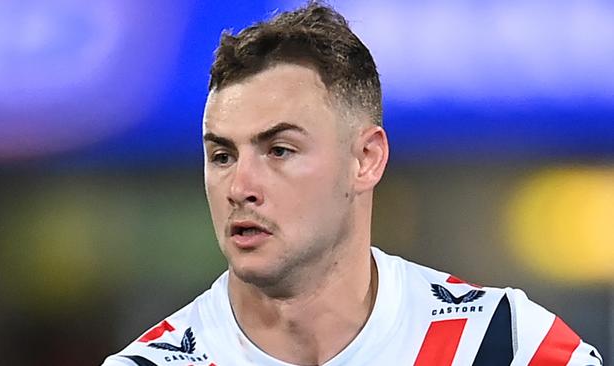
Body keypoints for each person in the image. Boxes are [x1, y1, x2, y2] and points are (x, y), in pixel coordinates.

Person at [102, 2, 602, 365]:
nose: (240, 186)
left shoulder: (502, 346)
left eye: (279, 150)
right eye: (222, 155)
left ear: (366, 159)